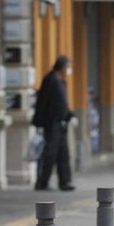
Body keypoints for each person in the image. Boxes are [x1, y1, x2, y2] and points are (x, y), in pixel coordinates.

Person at [32, 56, 76, 192]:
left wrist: (69, 115)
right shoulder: (50, 80)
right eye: (68, 66)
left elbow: (63, 103)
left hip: (61, 123)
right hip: (51, 123)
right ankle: (42, 182)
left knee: (63, 153)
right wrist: (40, 122)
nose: (69, 69)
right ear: (62, 67)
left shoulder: (62, 81)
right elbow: (43, 103)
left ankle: (65, 181)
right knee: (49, 154)